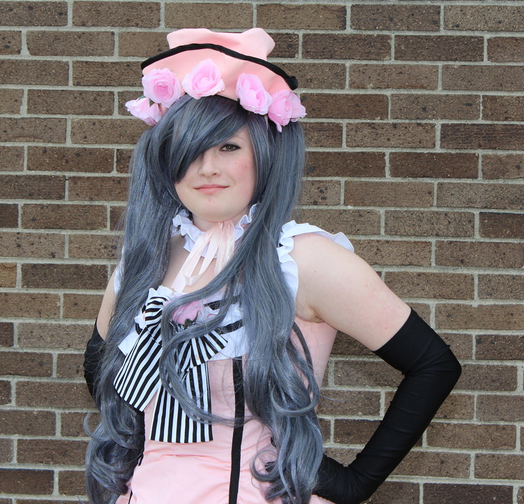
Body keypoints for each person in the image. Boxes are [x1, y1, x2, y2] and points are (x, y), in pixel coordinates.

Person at [83, 28, 461, 504]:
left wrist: (354, 483)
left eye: (228, 147)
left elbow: (433, 365)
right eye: (189, 148)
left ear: (263, 154)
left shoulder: (302, 259)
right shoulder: (146, 257)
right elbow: (99, 363)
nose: (207, 167)